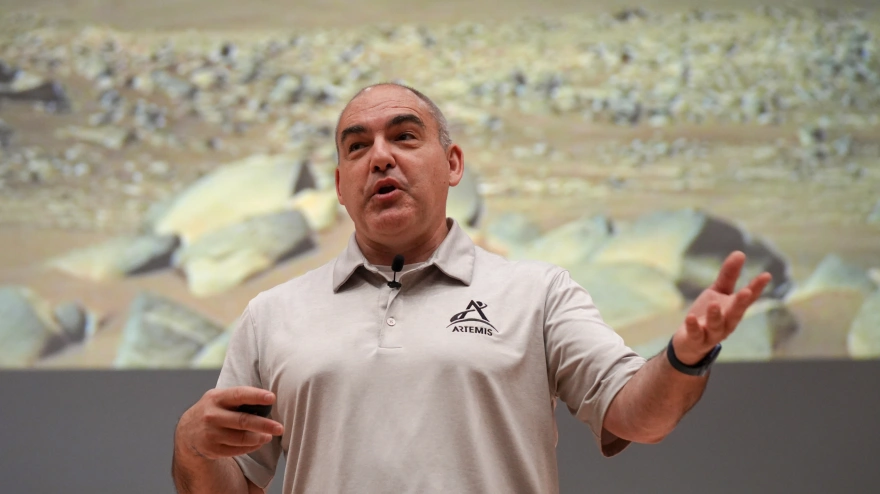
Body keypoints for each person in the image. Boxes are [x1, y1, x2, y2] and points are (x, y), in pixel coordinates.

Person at [171, 83, 772, 494]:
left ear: (453, 163)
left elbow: (638, 416)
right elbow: (233, 487)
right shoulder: (271, 315)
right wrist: (192, 446)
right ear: (338, 183)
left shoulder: (538, 293)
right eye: (358, 147)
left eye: (404, 137)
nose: (380, 158)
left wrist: (685, 358)